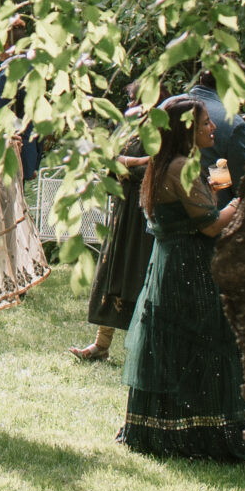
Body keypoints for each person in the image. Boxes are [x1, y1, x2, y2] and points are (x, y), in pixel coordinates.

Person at [120, 96, 245, 460]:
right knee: (202, 343)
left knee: (174, 347)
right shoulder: (181, 167)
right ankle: (201, 431)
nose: (212, 127)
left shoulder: (171, 164)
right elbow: (210, 227)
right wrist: (236, 204)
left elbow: (192, 209)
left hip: (170, 264)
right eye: (206, 122)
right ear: (186, 130)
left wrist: (215, 191)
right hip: (188, 268)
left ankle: (163, 425)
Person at [73, 93, 154, 363]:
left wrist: (128, 165)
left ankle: (143, 347)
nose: (132, 105)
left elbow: (157, 168)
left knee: (137, 275)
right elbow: (108, 164)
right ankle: (101, 345)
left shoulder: (158, 129)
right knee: (113, 272)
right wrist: (130, 164)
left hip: (143, 213)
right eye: (130, 100)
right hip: (123, 210)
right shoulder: (126, 130)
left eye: (136, 100)